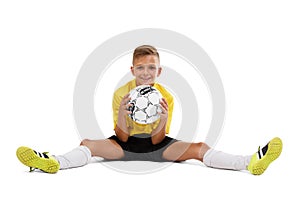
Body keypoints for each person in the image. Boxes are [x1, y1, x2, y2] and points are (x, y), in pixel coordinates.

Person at [16, 45, 283, 175]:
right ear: (133, 70)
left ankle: (250, 161)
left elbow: (157, 140)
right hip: (124, 145)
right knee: (88, 143)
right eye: (141, 68)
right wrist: (123, 113)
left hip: (158, 145)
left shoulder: (165, 96)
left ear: (159, 71)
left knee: (200, 148)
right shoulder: (121, 93)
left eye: (151, 68)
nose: (146, 73)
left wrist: (163, 119)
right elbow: (120, 138)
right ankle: (52, 162)